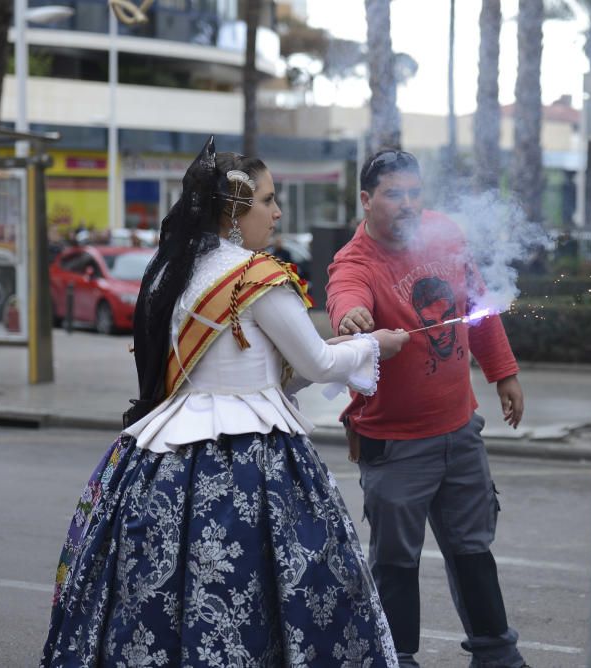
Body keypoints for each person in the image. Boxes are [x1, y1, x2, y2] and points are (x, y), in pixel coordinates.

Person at [40, 138, 409, 666]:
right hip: (253, 459)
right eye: (266, 200)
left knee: (159, 592)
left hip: (162, 452)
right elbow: (317, 367)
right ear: (234, 212)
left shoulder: (171, 273)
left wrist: (342, 350)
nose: (277, 211)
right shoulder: (260, 279)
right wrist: (374, 345)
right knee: (274, 592)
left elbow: (268, 376)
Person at [326, 149, 530, 668]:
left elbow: (478, 308)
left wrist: (504, 373)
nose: (408, 204)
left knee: (473, 550)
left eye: (415, 192)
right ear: (367, 200)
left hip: (461, 430)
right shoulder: (357, 261)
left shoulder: (444, 235)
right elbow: (344, 294)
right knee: (395, 561)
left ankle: (496, 656)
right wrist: (351, 315)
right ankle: (398, 660)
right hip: (395, 445)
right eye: (394, 194)